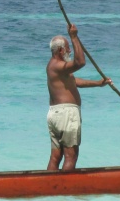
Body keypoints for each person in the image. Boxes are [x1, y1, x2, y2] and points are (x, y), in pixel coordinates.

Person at [46, 23, 111, 171]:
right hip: (66, 114)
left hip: (55, 114)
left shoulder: (55, 67)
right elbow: (80, 62)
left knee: (56, 156)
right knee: (71, 155)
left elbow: (74, 82)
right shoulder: (57, 65)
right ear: (61, 50)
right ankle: (63, 189)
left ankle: (50, 189)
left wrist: (98, 83)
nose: (70, 50)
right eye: (68, 47)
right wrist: (74, 37)